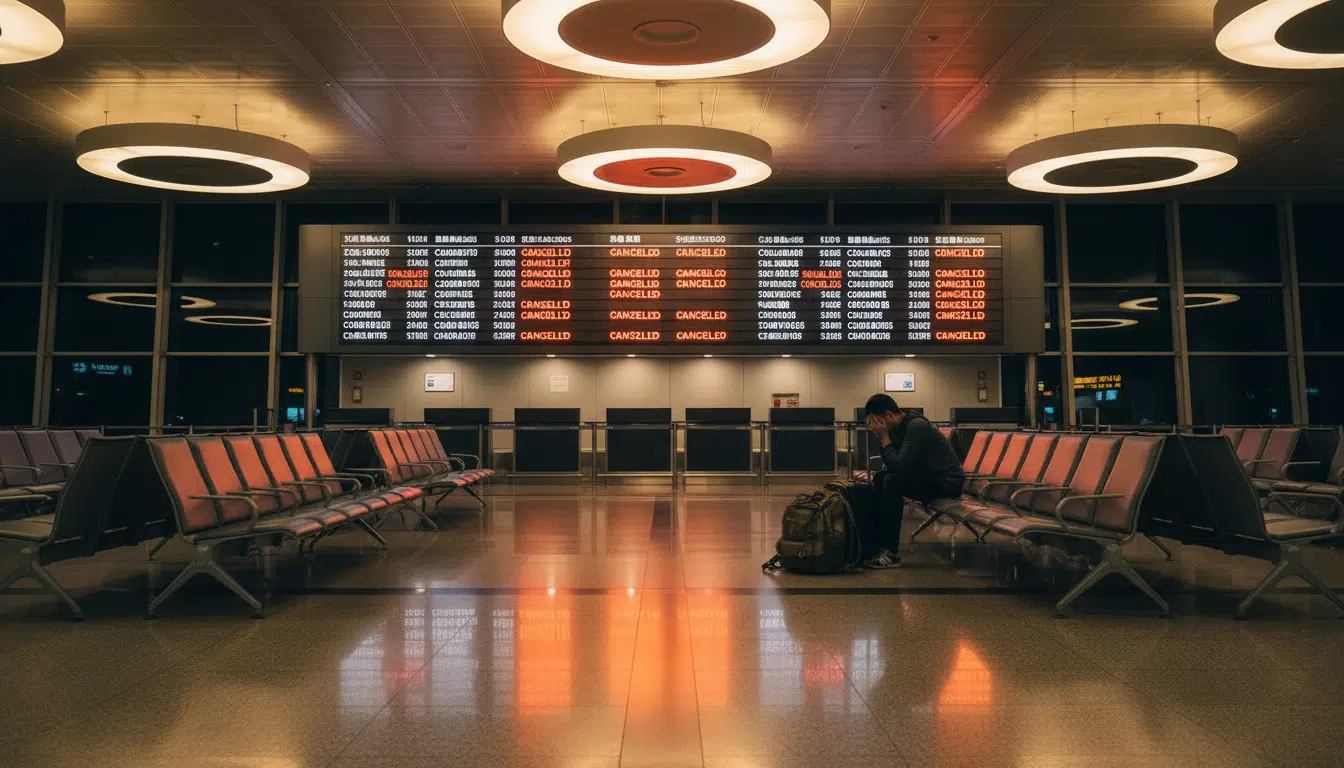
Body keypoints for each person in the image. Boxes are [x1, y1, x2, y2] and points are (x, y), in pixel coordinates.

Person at [861, 394, 964, 568]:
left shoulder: (916, 426)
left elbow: (900, 466)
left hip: (946, 482)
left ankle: (890, 551)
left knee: (892, 482)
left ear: (889, 415)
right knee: (881, 478)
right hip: (928, 478)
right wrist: (884, 437)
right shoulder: (898, 429)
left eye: (876, 422)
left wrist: (885, 437)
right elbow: (892, 464)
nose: (872, 429)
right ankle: (875, 544)